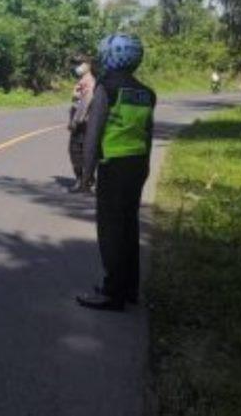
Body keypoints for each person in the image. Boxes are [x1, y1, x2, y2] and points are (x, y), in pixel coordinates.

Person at [76, 34, 156, 311]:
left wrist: (86, 175)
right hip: (137, 166)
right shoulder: (147, 93)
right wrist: (145, 168)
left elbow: (93, 133)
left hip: (113, 165)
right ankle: (129, 288)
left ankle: (112, 293)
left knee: (110, 231)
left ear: (110, 56)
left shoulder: (106, 88)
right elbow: (148, 135)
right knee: (128, 227)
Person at [67, 55, 96, 193]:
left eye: (79, 63)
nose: (76, 66)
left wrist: (75, 121)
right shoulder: (82, 81)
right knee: (80, 152)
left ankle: (83, 182)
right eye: (75, 63)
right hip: (81, 122)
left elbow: (85, 103)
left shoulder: (89, 82)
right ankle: (86, 180)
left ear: (88, 64)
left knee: (77, 152)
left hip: (83, 123)